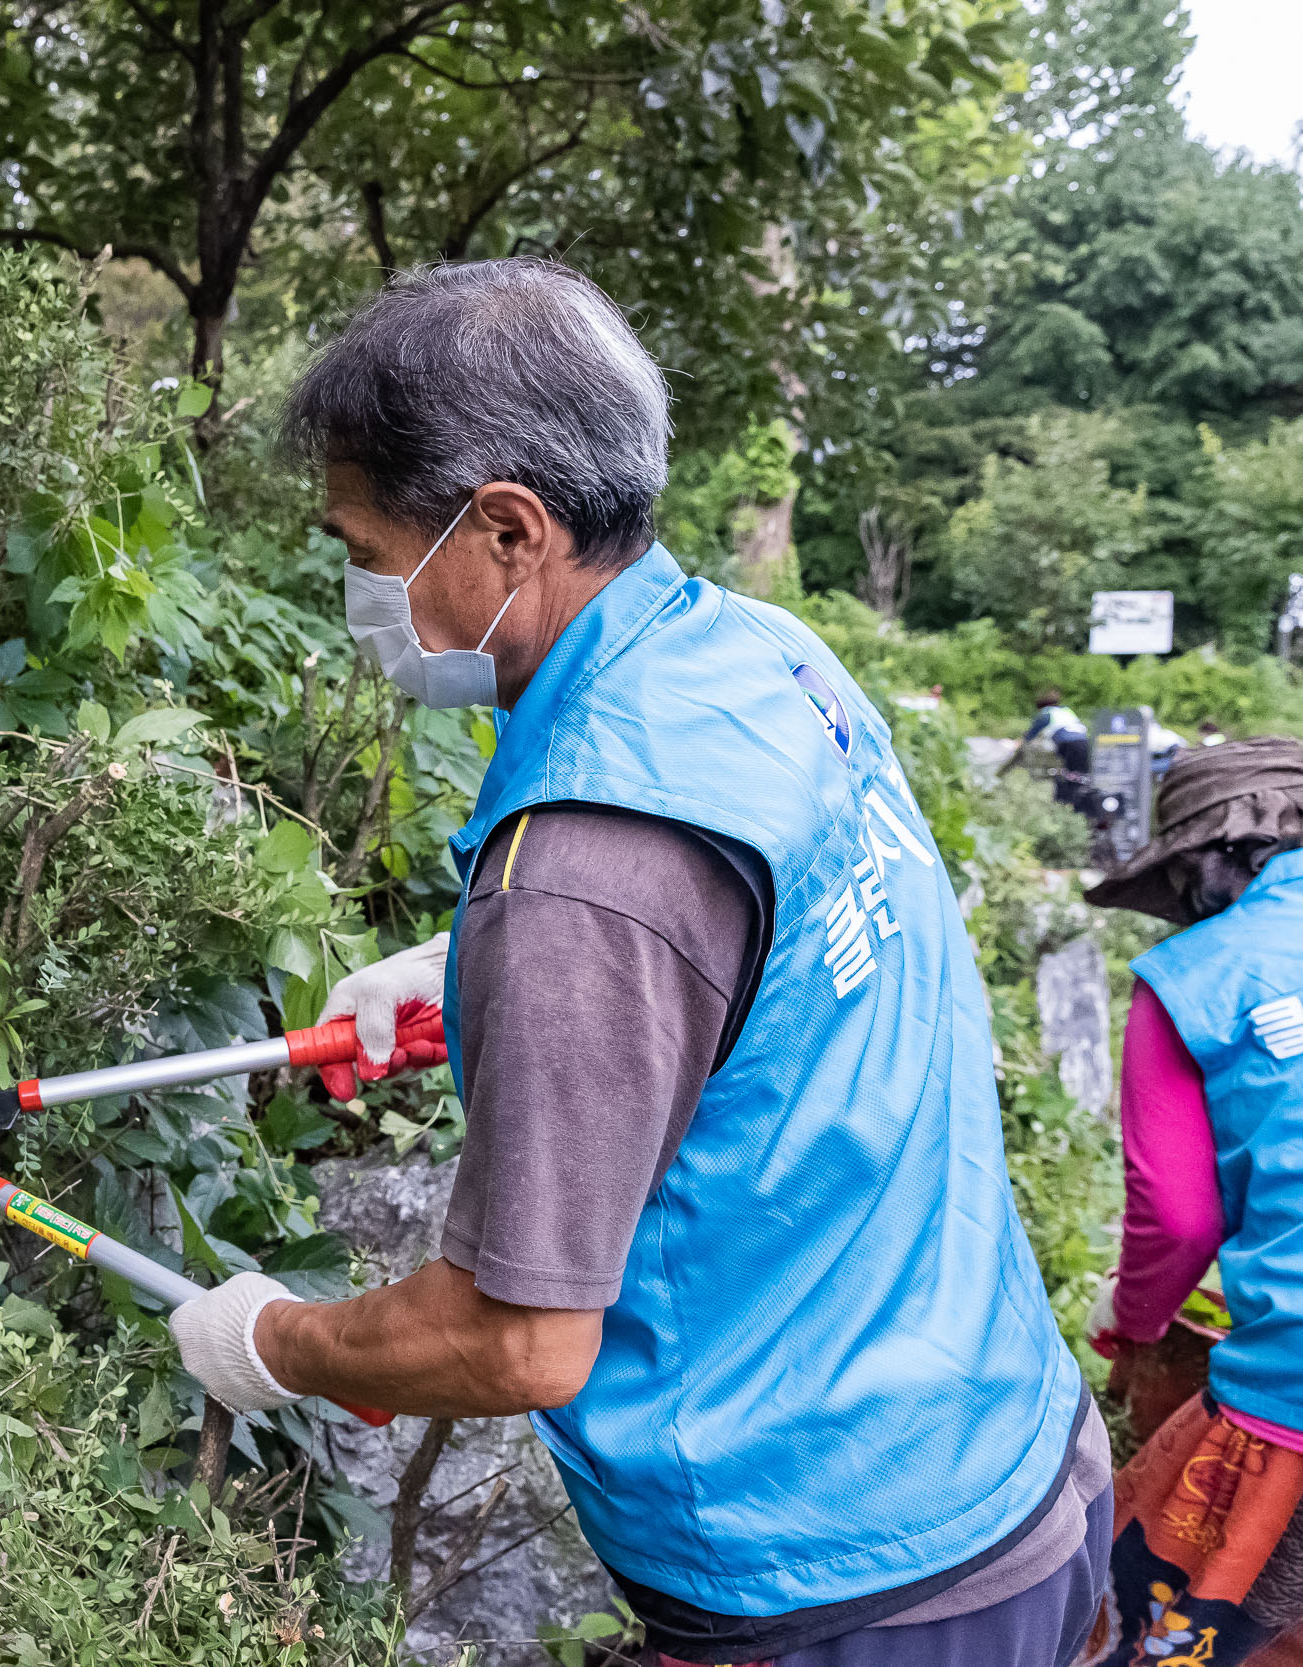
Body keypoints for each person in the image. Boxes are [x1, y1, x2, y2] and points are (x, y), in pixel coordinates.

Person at [165, 260, 1107, 1666]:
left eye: (365, 550)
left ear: (506, 528)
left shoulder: (585, 874)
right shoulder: (758, 660)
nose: (360, 591)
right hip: (1011, 1456)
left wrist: (274, 1339)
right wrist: (465, 965)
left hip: (837, 1576)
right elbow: (756, 947)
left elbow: (516, 1339)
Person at [1072, 741, 1303, 1666]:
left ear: (1225, 855)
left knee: (1143, 1622)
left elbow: (1179, 1218)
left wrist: (1132, 1329)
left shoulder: (1192, 979)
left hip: (1288, 1391)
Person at [1006, 690, 1094, 810]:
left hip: (1067, 744)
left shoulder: (1046, 713)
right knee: (1082, 775)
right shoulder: (1066, 710)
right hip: (1085, 742)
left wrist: (1017, 743)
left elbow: (1031, 734)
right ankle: (1082, 807)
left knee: (1067, 776)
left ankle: (1064, 806)